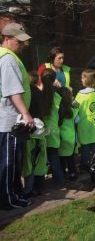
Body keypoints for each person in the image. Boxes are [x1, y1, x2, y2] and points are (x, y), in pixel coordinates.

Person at [0, 22, 33, 208]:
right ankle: (8, 199)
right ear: (7, 38)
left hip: (7, 118)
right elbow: (13, 92)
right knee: (8, 162)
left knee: (11, 161)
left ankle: (12, 194)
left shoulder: (5, 56)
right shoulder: (8, 59)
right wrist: (26, 114)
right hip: (8, 120)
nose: (21, 45)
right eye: (18, 41)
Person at [75, 69, 95, 172]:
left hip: (85, 125)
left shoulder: (81, 94)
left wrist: (75, 119)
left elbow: (75, 108)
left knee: (85, 148)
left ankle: (85, 167)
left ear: (88, 80)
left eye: (83, 77)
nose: (81, 79)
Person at [41, 69, 64, 187]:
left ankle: (39, 184)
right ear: (54, 78)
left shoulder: (40, 94)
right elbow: (61, 114)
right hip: (54, 129)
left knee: (41, 158)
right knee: (54, 157)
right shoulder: (57, 96)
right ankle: (59, 181)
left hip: (41, 130)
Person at [58, 87, 79, 181]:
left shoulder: (57, 110)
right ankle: (72, 174)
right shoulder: (73, 110)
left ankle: (62, 174)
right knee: (71, 159)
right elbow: (77, 120)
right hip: (71, 139)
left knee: (61, 159)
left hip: (60, 139)